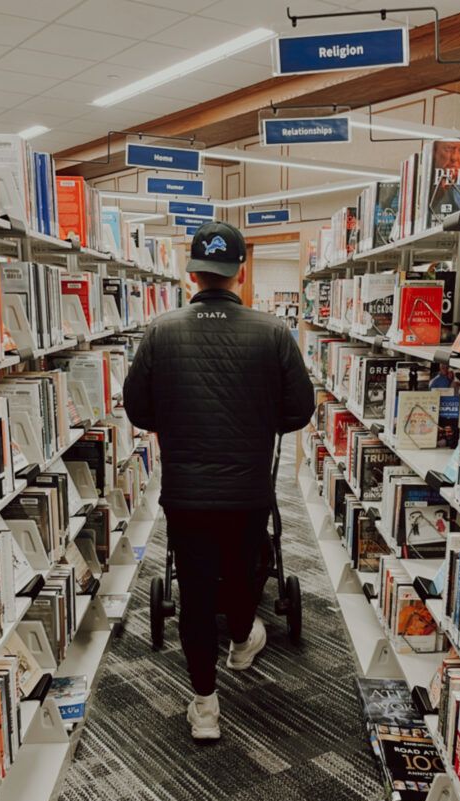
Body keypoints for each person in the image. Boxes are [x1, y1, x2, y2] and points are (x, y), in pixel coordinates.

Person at [123, 221, 314, 741]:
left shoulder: (161, 331)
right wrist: (257, 418)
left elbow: (138, 409)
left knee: (197, 592)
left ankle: (205, 708)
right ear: (240, 272)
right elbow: (301, 409)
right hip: (248, 491)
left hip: (186, 494)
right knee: (242, 571)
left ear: (191, 273)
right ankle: (242, 639)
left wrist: (180, 416)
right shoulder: (273, 332)